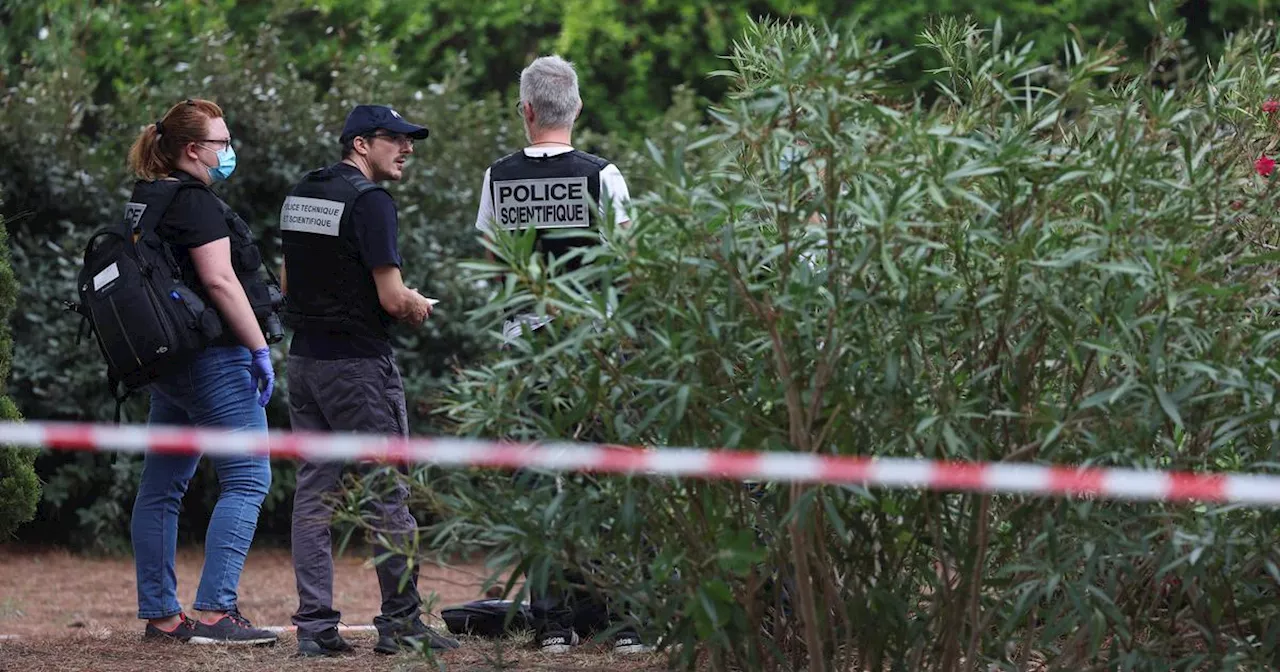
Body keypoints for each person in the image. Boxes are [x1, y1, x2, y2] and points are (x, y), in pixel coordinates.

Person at [473, 55, 651, 655]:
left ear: (525, 110)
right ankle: (621, 620)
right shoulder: (603, 174)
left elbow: (494, 264)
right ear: (576, 109)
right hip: (595, 350)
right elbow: (629, 262)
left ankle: (553, 624)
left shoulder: (498, 176)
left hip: (525, 353)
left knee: (538, 482)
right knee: (606, 476)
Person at [280, 104, 460, 657]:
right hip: (358, 366)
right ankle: (402, 624)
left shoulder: (303, 192)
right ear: (361, 144)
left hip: (304, 363)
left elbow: (286, 281)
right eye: (395, 140)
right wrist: (417, 306)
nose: (407, 149)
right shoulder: (372, 201)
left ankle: (314, 629)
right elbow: (391, 296)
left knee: (314, 495)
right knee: (387, 494)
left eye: (411, 141)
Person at [125, 98, 280, 646]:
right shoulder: (196, 204)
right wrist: (260, 347)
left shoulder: (149, 199)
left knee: (162, 487)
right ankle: (216, 612)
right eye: (222, 143)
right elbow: (219, 282)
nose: (229, 151)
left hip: (171, 363)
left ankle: (163, 618)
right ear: (193, 149)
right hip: (213, 359)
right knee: (248, 478)